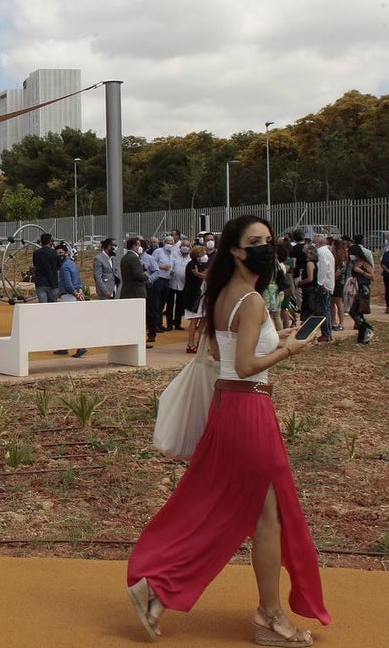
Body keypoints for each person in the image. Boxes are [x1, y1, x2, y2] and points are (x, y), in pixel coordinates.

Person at [127, 214, 330, 646]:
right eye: (256, 241)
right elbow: (245, 367)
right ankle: (268, 617)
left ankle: (159, 592)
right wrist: (290, 349)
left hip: (228, 408)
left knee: (233, 509)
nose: (266, 247)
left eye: (269, 240)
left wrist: (279, 337)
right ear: (236, 251)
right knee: (266, 516)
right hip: (248, 409)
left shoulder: (223, 295)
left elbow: (231, 350)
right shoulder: (252, 301)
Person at [53, 244, 88, 358]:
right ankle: (64, 347)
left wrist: (75, 293)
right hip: (75, 295)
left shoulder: (64, 267)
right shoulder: (73, 264)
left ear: (67, 253)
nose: (59, 255)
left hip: (67, 296)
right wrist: (80, 291)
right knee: (71, 322)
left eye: (61, 253)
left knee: (67, 323)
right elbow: (78, 280)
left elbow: (68, 284)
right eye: (57, 253)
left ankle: (80, 346)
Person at [181, 244, 209, 353]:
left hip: (201, 296)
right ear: (198, 255)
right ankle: (190, 343)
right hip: (193, 297)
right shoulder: (192, 264)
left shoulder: (200, 264)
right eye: (203, 253)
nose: (205, 255)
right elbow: (203, 275)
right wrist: (200, 274)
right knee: (194, 320)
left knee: (203, 319)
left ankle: (200, 344)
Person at [347, 243, 375, 344]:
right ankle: (362, 338)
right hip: (356, 289)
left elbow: (372, 276)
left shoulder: (365, 263)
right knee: (358, 313)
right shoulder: (353, 263)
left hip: (363, 290)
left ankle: (368, 328)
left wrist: (361, 272)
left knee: (354, 312)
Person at [32, 232, 60, 303]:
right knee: (52, 307)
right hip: (52, 282)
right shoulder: (54, 253)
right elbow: (58, 266)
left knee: (43, 307)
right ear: (50, 242)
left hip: (40, 283)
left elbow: (35, 265)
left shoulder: (36, 253)